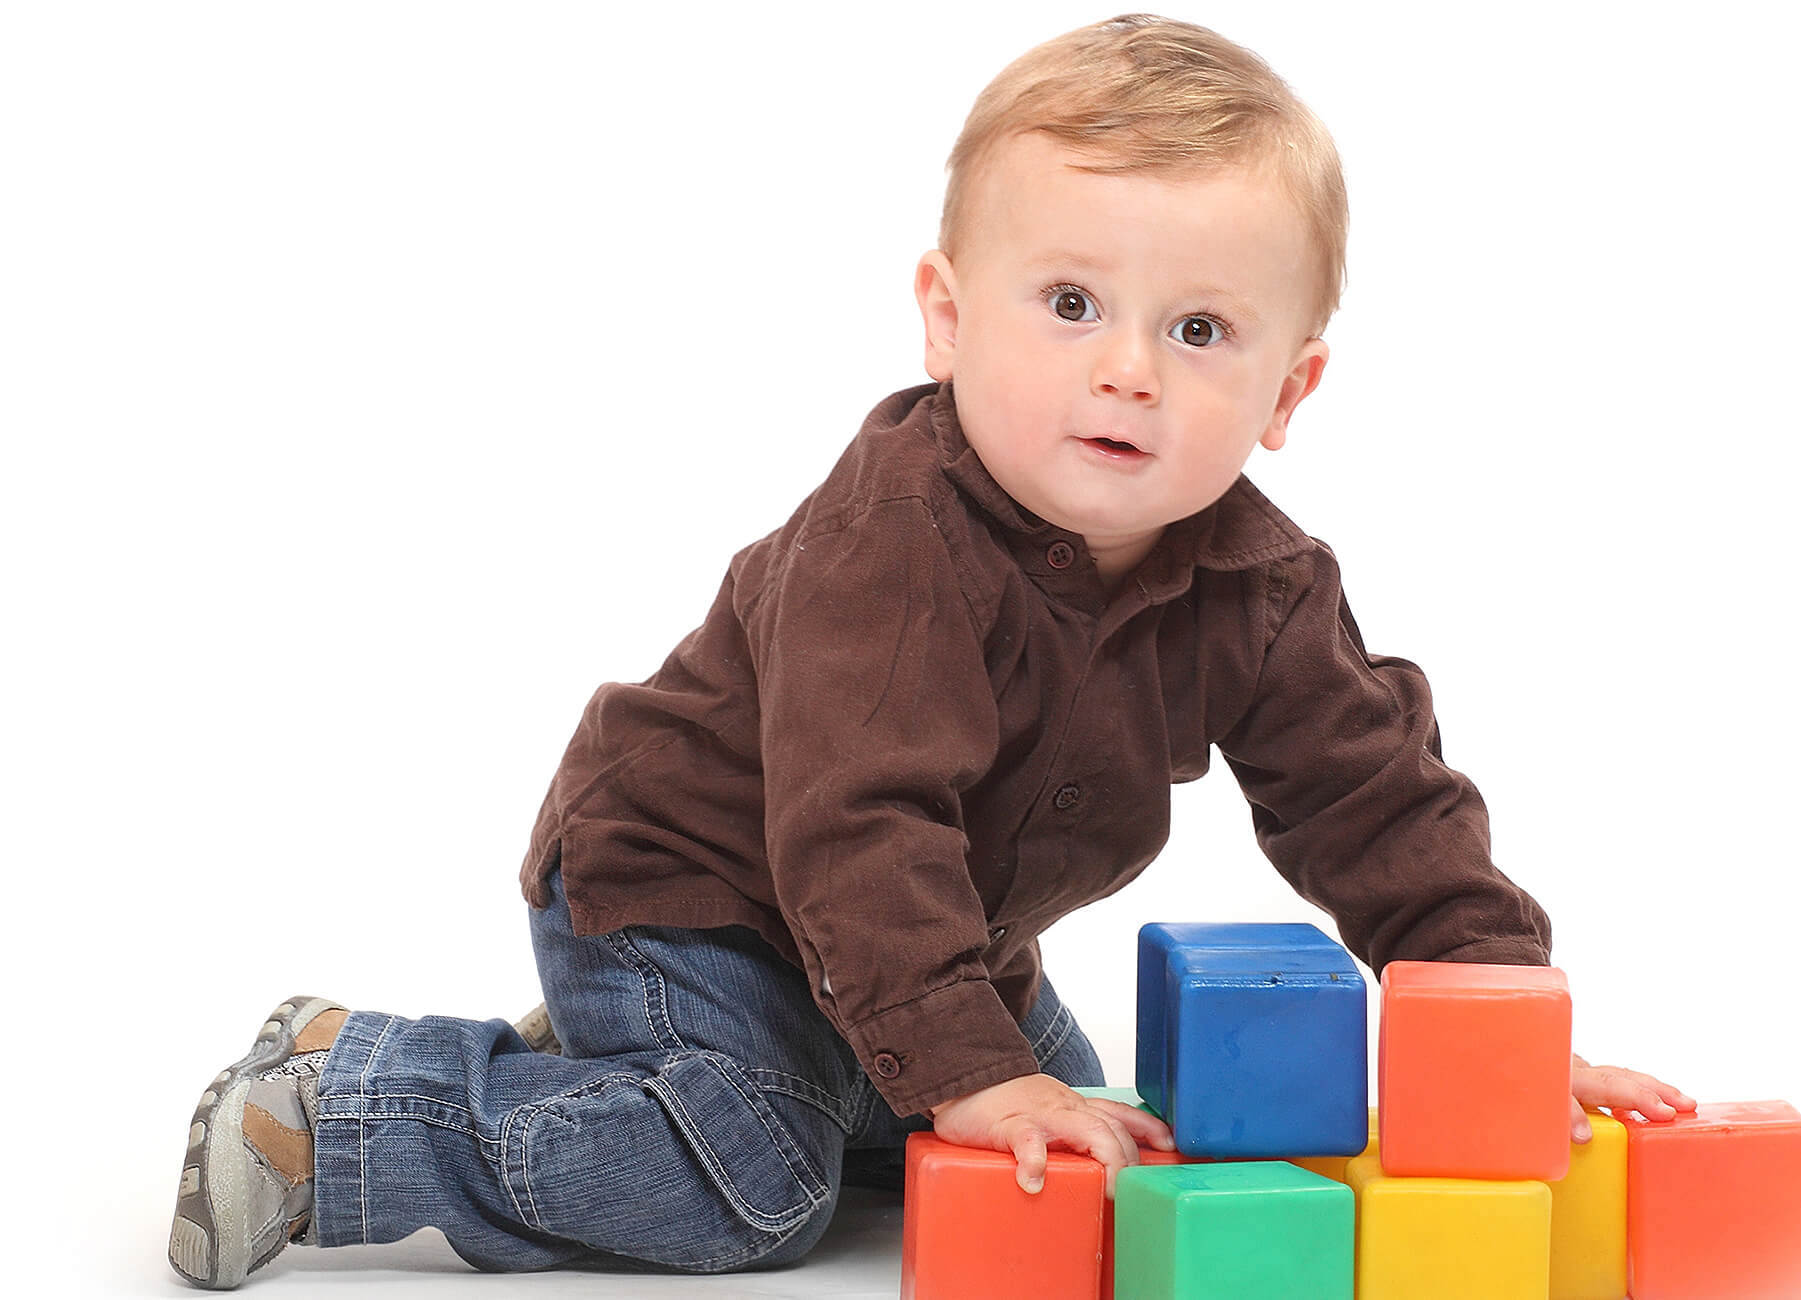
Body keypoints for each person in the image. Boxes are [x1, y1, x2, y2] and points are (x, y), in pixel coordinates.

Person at [167, 13, 1693, 1290]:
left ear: (1290, 393)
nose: (1127, 372)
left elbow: (1377, 804)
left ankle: (648, 1085)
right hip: (697, 889)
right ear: (947, 320)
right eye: (1075, 303)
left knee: (1087, 1143)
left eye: (1200, 332)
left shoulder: (1265, 591)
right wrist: (963, 1064)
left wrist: (1497, 1016)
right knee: (758, 1189)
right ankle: (346, 1105)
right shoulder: (897, 543)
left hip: (918, 932)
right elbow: (857, 822)